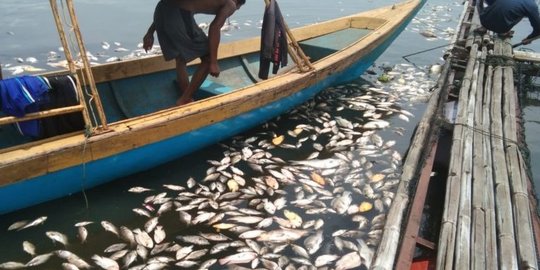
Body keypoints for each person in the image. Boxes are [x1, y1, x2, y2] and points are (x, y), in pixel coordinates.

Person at [143, 0, 245, 106]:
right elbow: (215, 27)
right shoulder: (231, 4)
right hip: (179, 14)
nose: (234, 11)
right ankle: (184, 99)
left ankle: (186, 99)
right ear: (238, 3)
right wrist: (214, 62)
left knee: (181, 59)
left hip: (161, 11)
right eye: (238, 8)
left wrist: (150, 32)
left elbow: (168, 5)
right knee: (208, 58)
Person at [476, 0, 540, 45]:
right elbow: (538, 29)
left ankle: (483, 27)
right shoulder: (532, 5)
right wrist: (529, 38)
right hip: (501, 28)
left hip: (484, 20)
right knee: (522, 13)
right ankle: (503, 33)